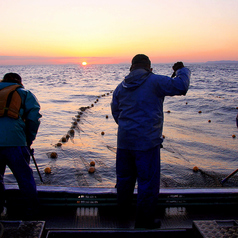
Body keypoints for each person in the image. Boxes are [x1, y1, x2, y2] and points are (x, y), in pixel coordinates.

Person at [111, 54, 191, 228]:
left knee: (124, 180)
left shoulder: (120, 87)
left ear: (131, 68)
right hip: (147, 144)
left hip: (124, 143)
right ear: (149, 68)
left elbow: (116, 113)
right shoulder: (155, 81)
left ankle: (122, 218)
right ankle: (144, 221)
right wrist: (181, 70)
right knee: (147, 182)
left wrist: (128, 128)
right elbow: (182, 86)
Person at [0, 73, 42, 218]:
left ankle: (0, 210)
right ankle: (32, 212)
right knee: (24, 177)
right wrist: (29, 139)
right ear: (19, 82)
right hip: (15, 141)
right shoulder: (24, 93)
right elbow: (34, 118)